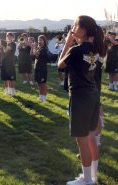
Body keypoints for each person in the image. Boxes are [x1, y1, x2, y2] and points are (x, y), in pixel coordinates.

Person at [58, 15, 106, 185]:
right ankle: (92, 176)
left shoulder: (75, 50)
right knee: (91, 138)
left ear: (83, 29)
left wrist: (68, 43)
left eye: (75, 25)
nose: (72, 27)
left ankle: (86, 180)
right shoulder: (96, 49)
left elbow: (60, 64)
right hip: (93, 95)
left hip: (80, 97)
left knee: (82, 140)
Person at [33, 35, 49, 102]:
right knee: (39, 83)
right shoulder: (39, 48)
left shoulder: (44, 49)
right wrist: (35, 48)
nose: (39, 41)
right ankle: (41, 96)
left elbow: (36, 54)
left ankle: (44, 97)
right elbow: (34, 55)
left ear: (44, 41)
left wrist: (34, 47)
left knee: (43, 84)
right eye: (38, 40)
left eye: (41, 40)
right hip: (37, 68)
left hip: (42, 69)